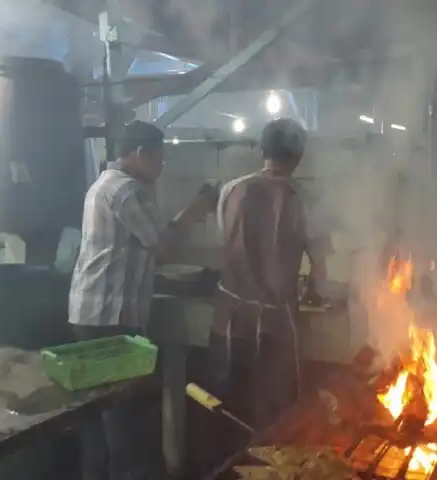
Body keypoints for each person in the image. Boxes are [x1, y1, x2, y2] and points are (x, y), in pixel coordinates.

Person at [68, 120, 217, 480]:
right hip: (109, 317)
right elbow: (164, 248)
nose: (161, 168)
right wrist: (196, 209)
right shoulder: (128, 190)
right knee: (123, 418)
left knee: (98, 415)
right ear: (140, 154)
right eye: (159, 160)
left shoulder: (104, 183)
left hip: (90, 313)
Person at [207, 118, 329, 461]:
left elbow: (226, 244)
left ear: (262, 150)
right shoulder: (303, 199)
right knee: (274, 413)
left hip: (228, 321)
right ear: (299, 155)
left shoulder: (230, 190)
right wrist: (316, 290)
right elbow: (320, 266)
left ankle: (229, 467)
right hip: (274, 326)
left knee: (229, 405)